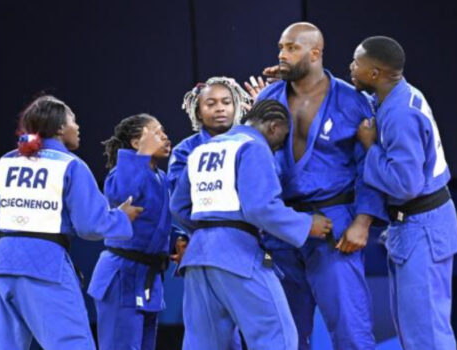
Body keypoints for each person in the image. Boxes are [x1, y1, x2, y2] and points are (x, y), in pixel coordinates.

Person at [253, 22, 387, 350]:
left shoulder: (352, 101)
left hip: (335, 225)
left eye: (291, 48)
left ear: (315, 53)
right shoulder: (268, 98)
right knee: (284, 337)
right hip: (283, 227)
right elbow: (254, 166)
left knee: (351, 331)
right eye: (281, 47)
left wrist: (363, 220)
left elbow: (367, 165)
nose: (282, 54)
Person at [0, 95, 141, 349]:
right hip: (45, 265)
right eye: (73, 120)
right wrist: (120, 217)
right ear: (61, 128)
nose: (78, 126)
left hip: (3, 265)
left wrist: (21, 232)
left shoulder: (6, 161)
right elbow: (90, 225)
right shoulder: (70, 165)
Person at [170, 99, 333, 350]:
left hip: (198, 259)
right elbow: (261, 208)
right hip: (238, 256)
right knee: (277, 337)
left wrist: (210, 232)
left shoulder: (202, 149)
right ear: (274, 127)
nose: (281, 146)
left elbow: (178, 207)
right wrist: (307, 224)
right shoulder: (253, 146)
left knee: (203, 345)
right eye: (284, 137)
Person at [352, 36, 457, 350]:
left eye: (356, 62)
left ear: (375, 73)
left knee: (426, 335)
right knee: (413, 333)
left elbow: (406, 183)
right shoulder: (394, 96)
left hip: (423, 225)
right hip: (414, 224)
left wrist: (370, 146)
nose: (351, 67)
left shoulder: (400, 113)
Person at [168, 77, 252, 350]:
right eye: (211, 103)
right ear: (197, 110)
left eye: (226, 102)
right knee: (208, 333)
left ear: (237, 105)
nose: (220, 108)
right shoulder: (186, 150)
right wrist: (201, 233)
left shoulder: (250, 143)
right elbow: (178, 204)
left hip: (249, 248)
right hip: (204, 249)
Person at [87, 113, 172, 350]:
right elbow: (122, 196)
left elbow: (160, 223)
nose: (165, 137)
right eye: (157, 133)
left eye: (164, 131)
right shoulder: (120, 172)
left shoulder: (161, 178)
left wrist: (177, 241)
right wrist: (141, 156)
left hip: (148, 274)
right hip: (122, 274)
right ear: (137, 143)